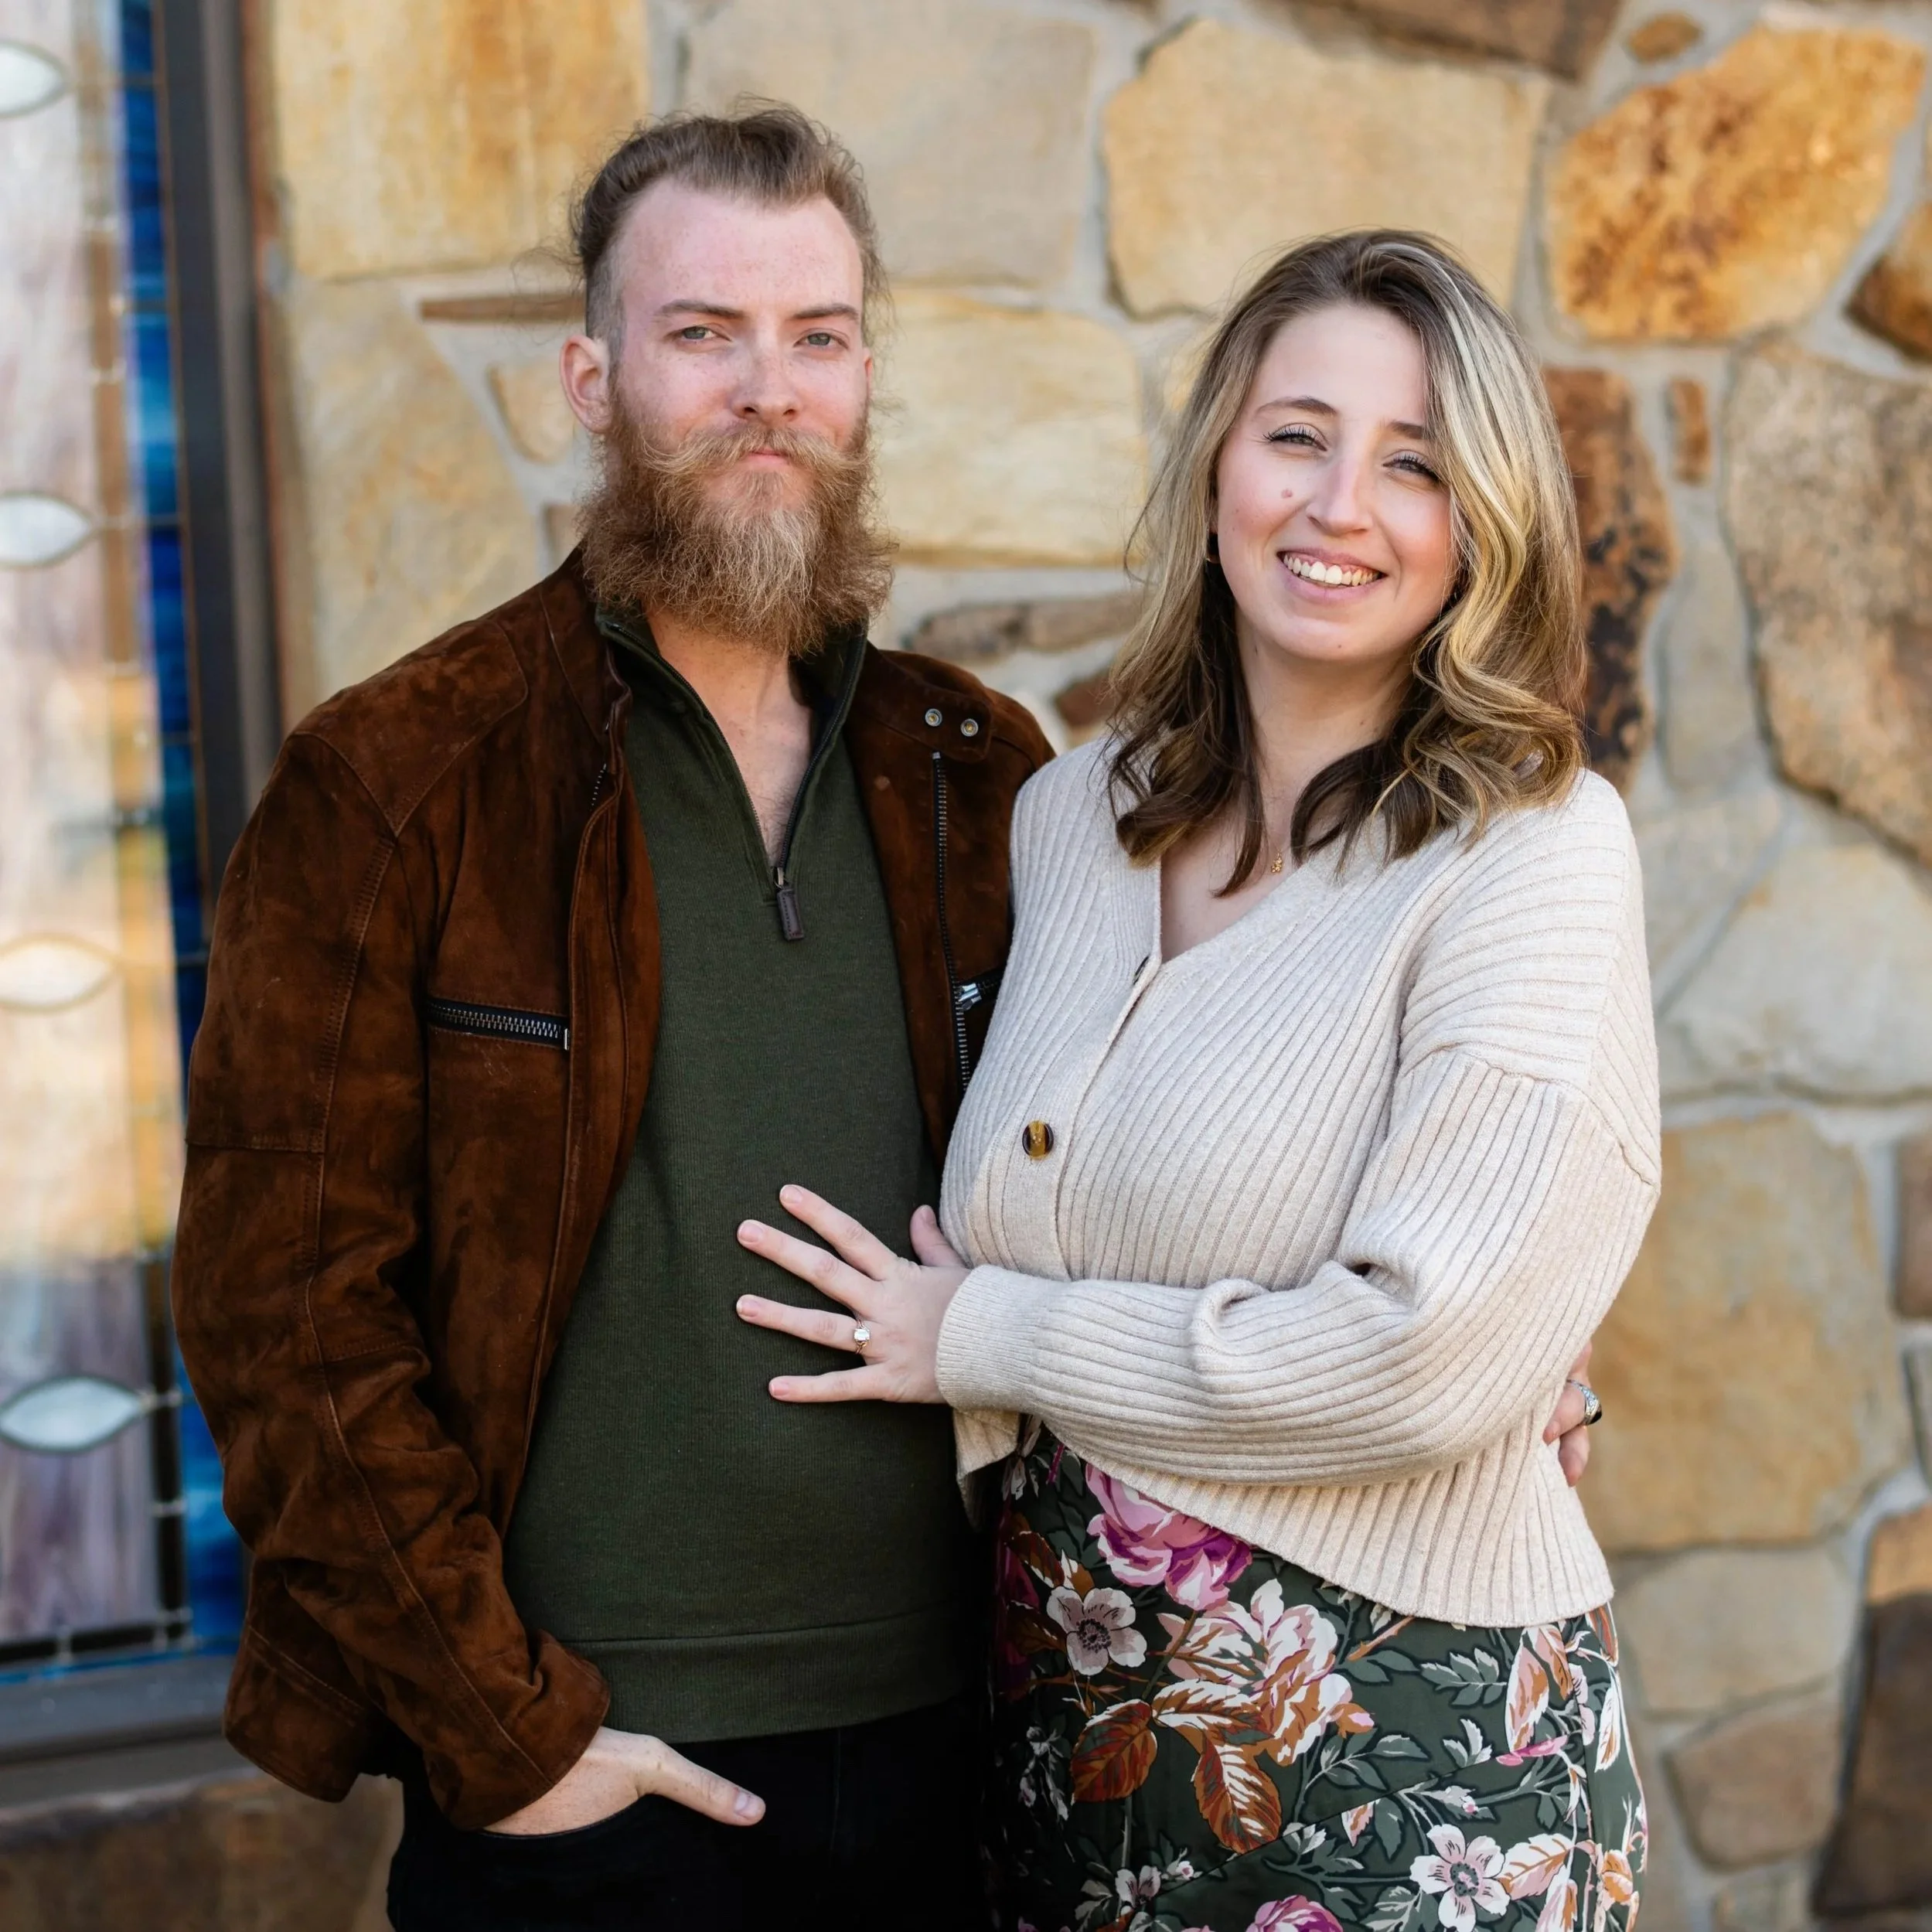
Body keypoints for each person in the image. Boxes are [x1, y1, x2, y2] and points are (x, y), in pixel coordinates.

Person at [170, 108, 1054, 1931]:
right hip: (598, 1788)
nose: (767, 391)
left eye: (815, 335)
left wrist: (1501, 1365)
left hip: (966, 1754)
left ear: (864, 372)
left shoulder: (981, 773)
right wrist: (508, 1734)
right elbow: (284, 1315)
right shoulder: (402, 777)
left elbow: (1164, 1162)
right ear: (592, 374)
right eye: (700, 333)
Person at [735, 230, 1657, 1932]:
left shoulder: (1530, 851)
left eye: (1415, 466)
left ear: (1484, 525)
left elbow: (1428, 1352)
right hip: (1068, 1743)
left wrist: (982, 1334)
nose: (1338, 507)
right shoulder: (1071, 817)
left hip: (1408, 1759)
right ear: (1219, 455)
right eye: (1296, 434)